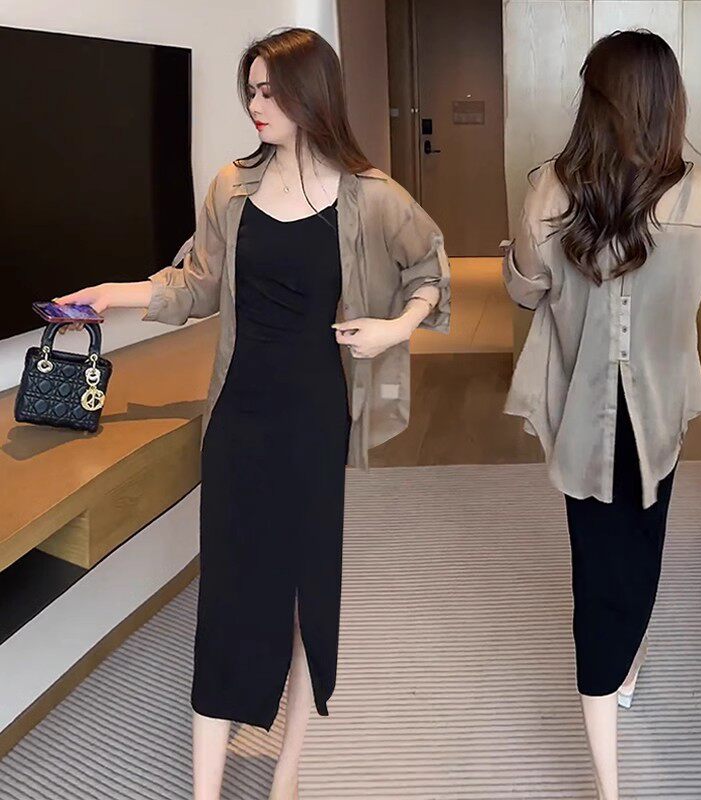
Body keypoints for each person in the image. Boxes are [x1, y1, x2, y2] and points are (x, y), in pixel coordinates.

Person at [53, 27, 450, 800]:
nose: (255, 104)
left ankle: (287, 771)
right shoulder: (231, 187)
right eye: (252, 90)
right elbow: (198, 285)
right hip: (237, 417)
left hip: (315, 418)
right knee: (229, 602)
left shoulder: (369, 194)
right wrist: (115, 293)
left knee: (306, 598)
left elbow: (428, 264)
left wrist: (397, 326)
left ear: (311, 94)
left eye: (271, 90)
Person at [501, 30, 701, 800]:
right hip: (660, 412)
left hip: (583, 417)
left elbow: (524, 291)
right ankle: (615, 727)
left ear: (596, 101)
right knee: (641, 548)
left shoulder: (550, 192)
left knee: (602, 570)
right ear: (669, 104)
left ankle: (618, 683)